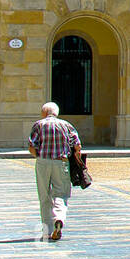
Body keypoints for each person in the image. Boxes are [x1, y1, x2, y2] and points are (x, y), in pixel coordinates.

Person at [27, 102, 81, 242]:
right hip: (61, 162)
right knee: (61, 194)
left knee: (44, 196)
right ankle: (59, 218)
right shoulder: (66, 125)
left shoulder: (38, 125)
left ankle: (48, 230)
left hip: (43, 162)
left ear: (44, 112)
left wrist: (39, 156)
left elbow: (32, 146)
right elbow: (77, 145)